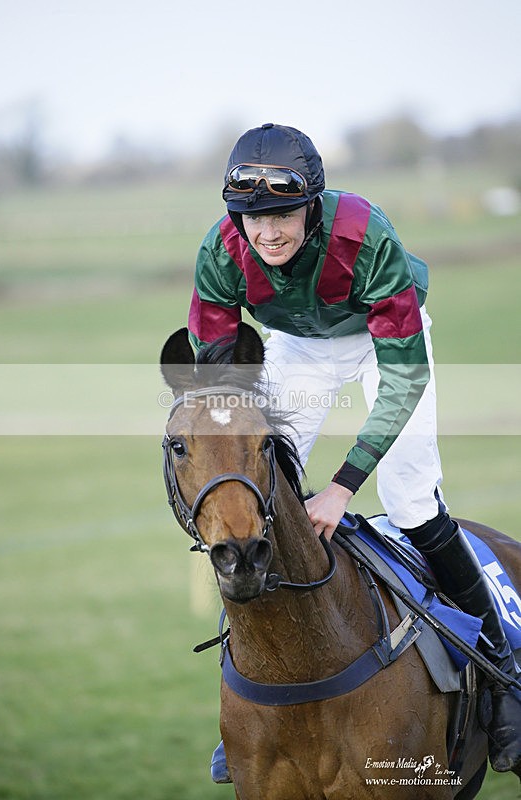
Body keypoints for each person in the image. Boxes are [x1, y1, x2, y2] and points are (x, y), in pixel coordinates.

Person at [186, 122, 521, 782]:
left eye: (282, 213)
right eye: (253, 218)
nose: (269, 232)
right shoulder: (220, 250)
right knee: (253, 501)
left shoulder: (363, 231)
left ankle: (504, 679)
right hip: (296, 348)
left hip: (382, 342)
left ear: (311, 204)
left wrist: (340, 486)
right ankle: (253, 706)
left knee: (411, 502)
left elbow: (402, 379)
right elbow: (218, 376)